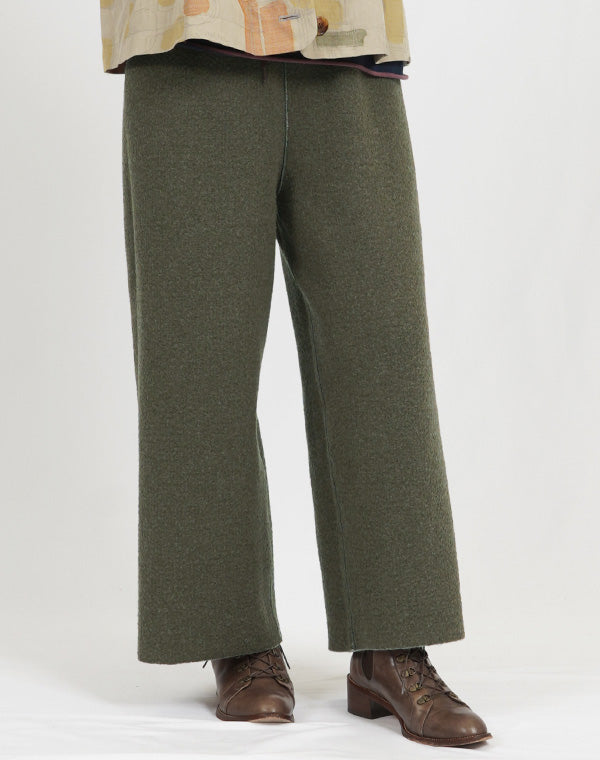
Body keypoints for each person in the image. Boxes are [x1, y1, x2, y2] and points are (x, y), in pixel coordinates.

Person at [100, 1, 492, 747]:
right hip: (190, 45)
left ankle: (392, 647)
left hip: (346, 44)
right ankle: (236, 640)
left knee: (383, 354)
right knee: (198, 362)